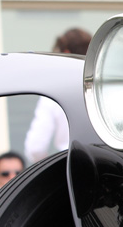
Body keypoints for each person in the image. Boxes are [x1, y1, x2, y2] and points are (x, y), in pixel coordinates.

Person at [24, 28, 91, 164]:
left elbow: (35, 148)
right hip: (109, 167)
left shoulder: (54, 93)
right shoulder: (105, 88)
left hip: (71, 166)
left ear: (66, 53)